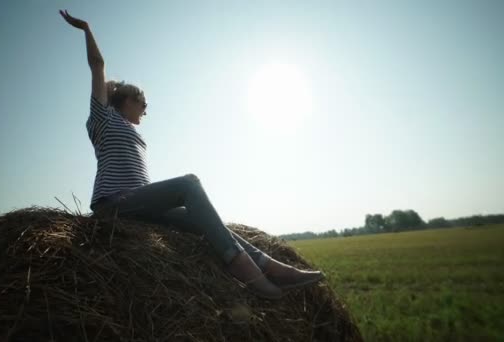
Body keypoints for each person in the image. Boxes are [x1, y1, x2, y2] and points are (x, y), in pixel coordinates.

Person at [59, 9, 323, 299]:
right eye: (142, 102)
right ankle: (246, 272)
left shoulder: (133, 131)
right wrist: (86, 28)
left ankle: (271, 266)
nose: (146, 109)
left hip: (141, 210)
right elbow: (98, 65)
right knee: (188, 183)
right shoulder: (102, 118)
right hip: (112, 206)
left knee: (203, 220)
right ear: (126, 101)